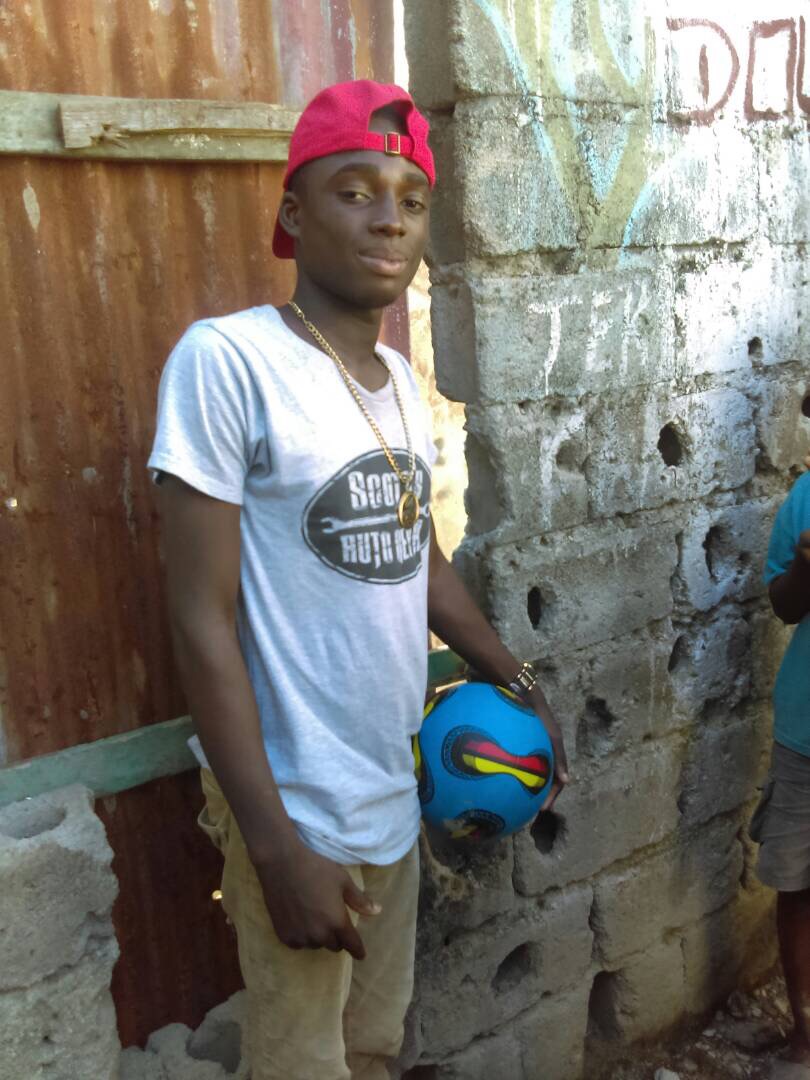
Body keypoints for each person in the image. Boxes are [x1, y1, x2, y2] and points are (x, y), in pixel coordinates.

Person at [148, 79, 568, 1080]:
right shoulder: (228, 362)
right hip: (294, 803)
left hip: (390, 783)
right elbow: (199, 619)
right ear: (294, 215)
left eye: (412, 200)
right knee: (301, 1062)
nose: (390, 219)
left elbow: (420, 562)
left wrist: (513, 676)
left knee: (373, 1046)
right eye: (356, 192)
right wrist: (274, 847)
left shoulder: (397, 387)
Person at [751, 464, 810, 1080]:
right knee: (796, 886)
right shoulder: (806, 496)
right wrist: (804, 568)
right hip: (805, 730)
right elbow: (783, 605)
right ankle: (804, 1032)